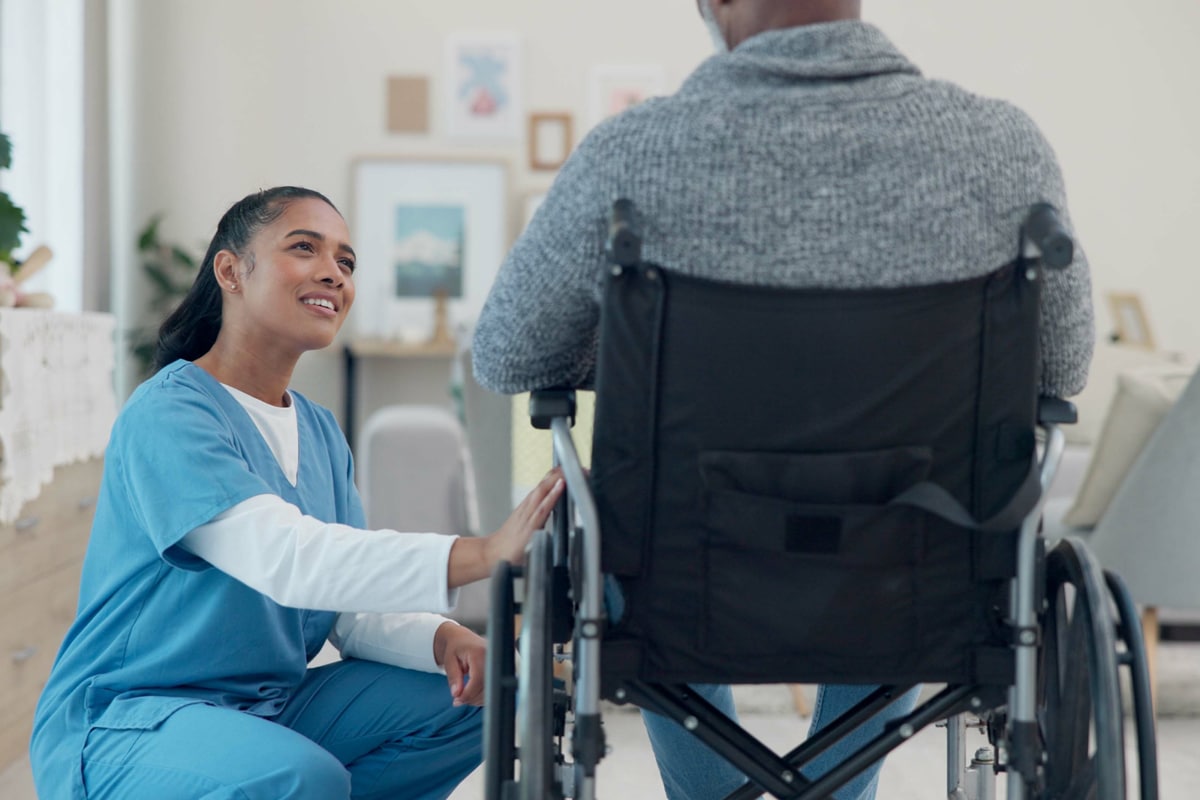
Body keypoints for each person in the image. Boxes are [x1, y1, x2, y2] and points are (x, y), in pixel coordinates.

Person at [471, 1, 1094, 798]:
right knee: (903, 540)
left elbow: (509, 355)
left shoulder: (633, 155)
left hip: (684, 573)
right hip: (919, 564)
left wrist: (638, 359)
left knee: (623, 541)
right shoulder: (1005, 150)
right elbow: (1062, 371)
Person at [29, 186, 564, 800]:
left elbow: (351, 608)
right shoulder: (170, 413)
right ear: (230, 270)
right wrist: (484, 551)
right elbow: (285, 557)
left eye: (346, 262)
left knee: (483, 697)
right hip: (131, 718)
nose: (332, 273)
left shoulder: (318, 430)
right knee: (299, 777)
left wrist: (445, 638)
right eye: (304, 248)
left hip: (267, 706)